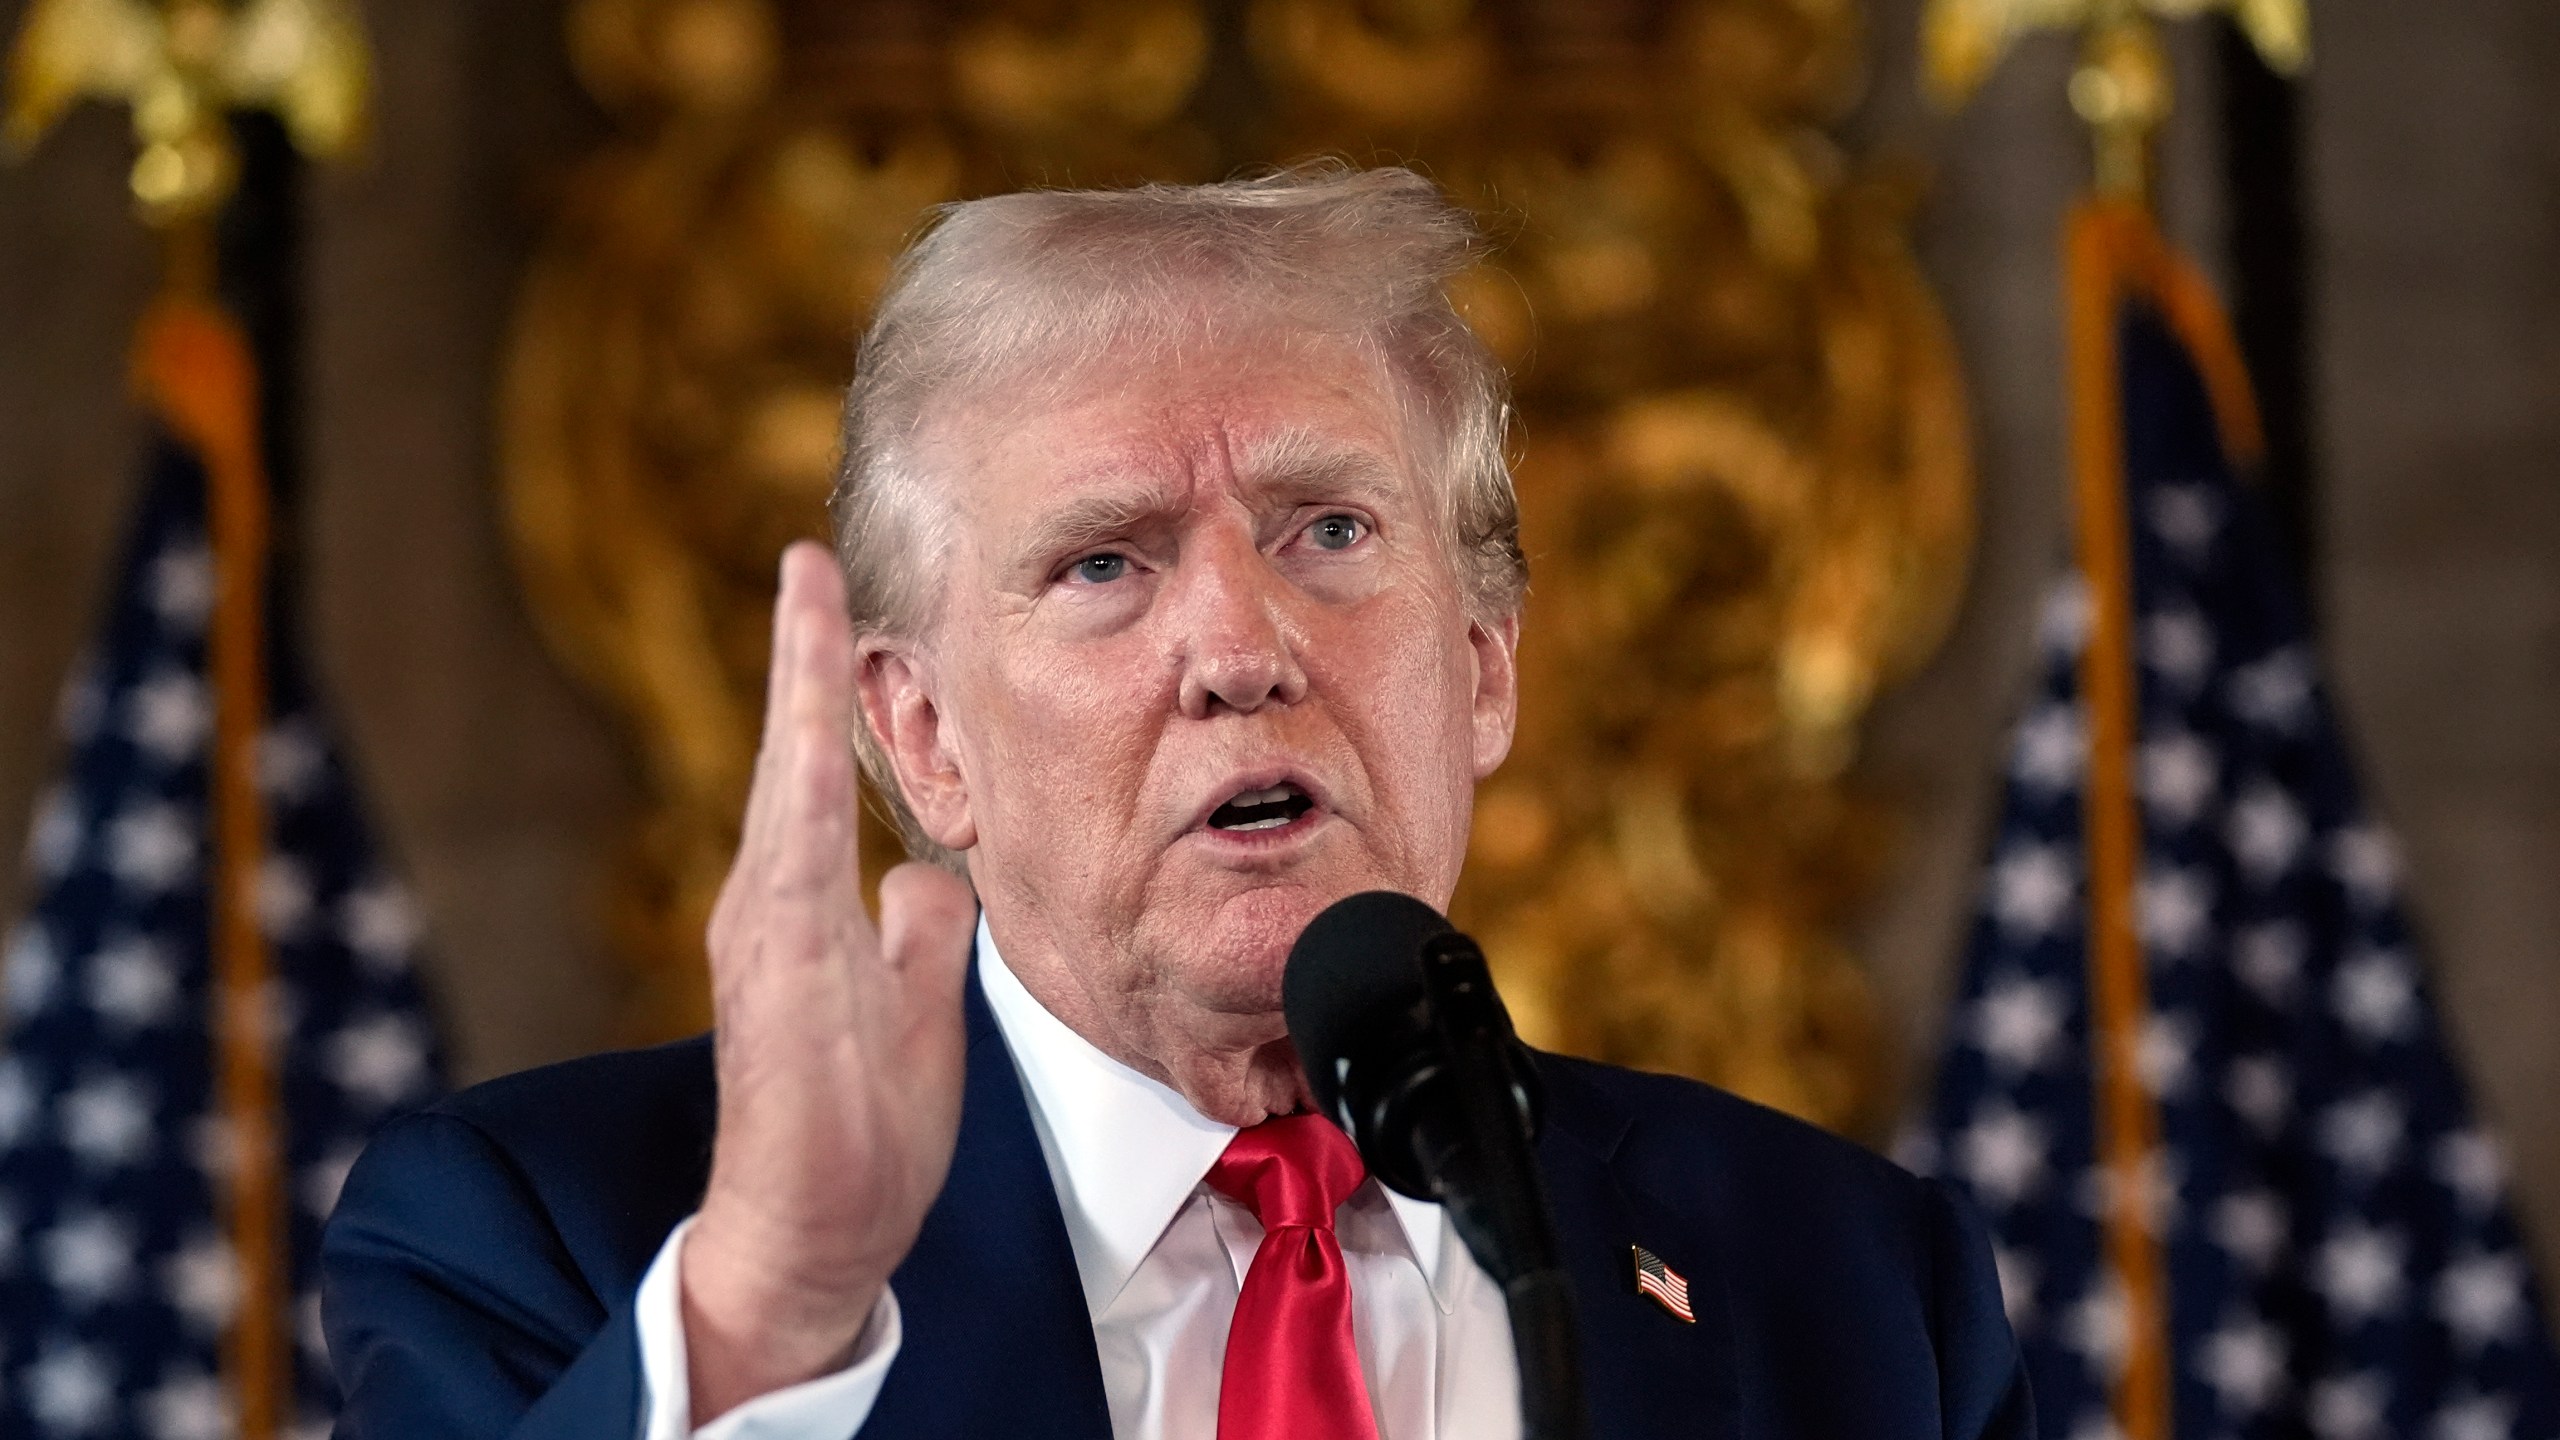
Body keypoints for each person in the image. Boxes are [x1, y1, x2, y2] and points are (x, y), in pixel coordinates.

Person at [320, 165, 2032, 1440]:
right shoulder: (559, 1241)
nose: (1240, 648)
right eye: (1104, 563)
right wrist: (763, 1329)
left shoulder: (1853, 1287)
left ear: (1485, 665)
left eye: (1329, 531)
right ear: (925, 737)